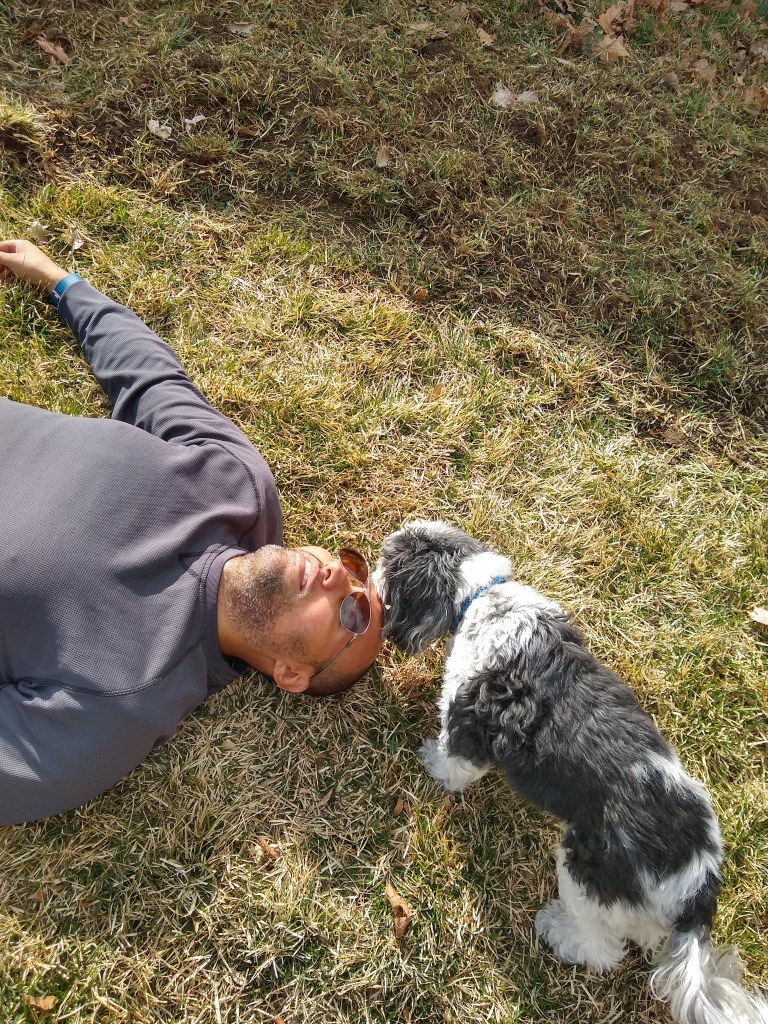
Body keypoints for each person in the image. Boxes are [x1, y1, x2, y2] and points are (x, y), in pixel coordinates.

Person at [0, 239, 383, 826]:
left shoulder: (123, 698)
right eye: (354, 567)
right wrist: (61, 283)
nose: (338, 576)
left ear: (291, 674)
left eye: (352, 614)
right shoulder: (239, 487)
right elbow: (151, 378)